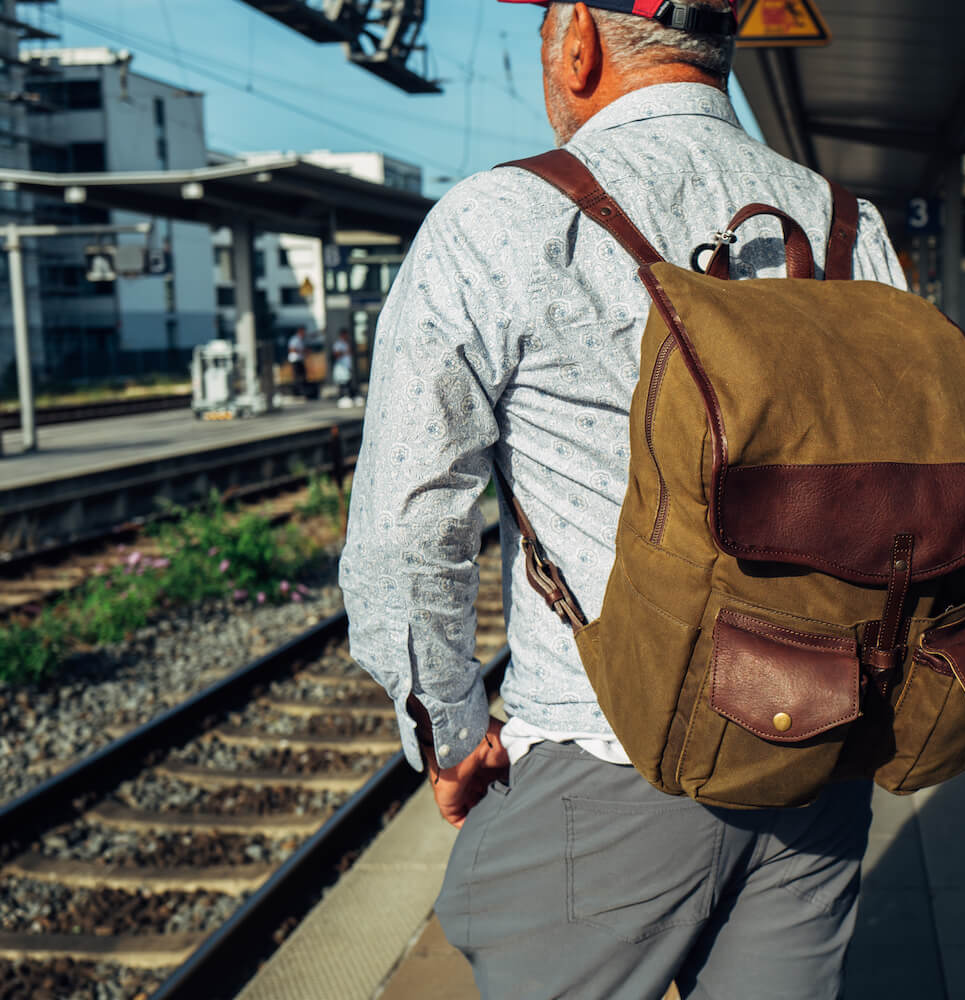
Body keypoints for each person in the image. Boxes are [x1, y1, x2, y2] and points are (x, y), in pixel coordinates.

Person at [339, 2, 908, 997]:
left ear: (577, 43)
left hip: (606, 766)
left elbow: (407, 526)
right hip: (820, 745)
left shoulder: (498, 220)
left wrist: (448, 731)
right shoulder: (846, 227)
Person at [332, 327, 355, 407]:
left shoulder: (346, 343)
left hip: (347, 366)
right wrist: (345, 352)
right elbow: (336, 354)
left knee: (348, 383)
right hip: (341, 367)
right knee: (342, 383)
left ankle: (348, 398)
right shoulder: (338, 344)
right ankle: (342, 398)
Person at [286, 326, 307, 397]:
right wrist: (301, 351)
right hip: (295, 360)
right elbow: (291, 349)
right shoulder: (295, 339)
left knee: (302, 375)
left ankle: (300, 391)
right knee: (297, 376)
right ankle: (297, 392)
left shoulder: (300, 339)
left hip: (299, 359)